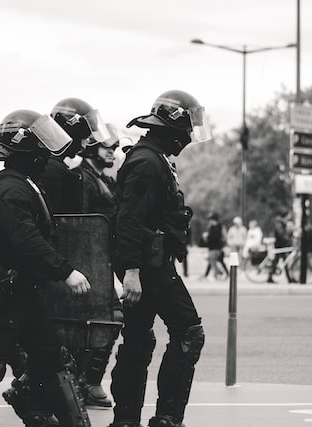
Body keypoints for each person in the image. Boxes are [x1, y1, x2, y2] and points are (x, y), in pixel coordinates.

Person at [0, 109, 92, 427]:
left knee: (51, 360)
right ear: (27, 147)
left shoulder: (20, 183)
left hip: (23, 289)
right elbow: (27, 239)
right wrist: (64, 271)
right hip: (7, 290)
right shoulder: (10, 188)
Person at [111, 90, 210, 427]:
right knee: (188, 331)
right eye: (187, 128)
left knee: (138, 341)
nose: (188, 137)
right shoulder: (147, 162)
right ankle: (166, 419)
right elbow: (129, 220)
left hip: (149, 264)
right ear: (175, 125)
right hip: (148, 267)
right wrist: (132, 271)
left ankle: (125, 420)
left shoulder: (153, 157)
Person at [70, 125, 123, 408]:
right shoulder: (83, 179)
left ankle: (87, 381)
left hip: (100, 260)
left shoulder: (99, 178)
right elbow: (79, 224)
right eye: (107, 148)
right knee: (108, 318)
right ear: (91, 149)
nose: (112, 153)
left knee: (108, 319)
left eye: (114, 148)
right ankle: (86, 381)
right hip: (88, 262)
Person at [38, 97, 111, 214]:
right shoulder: (53, 170)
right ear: (73, 132)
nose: (86, 143)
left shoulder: (51, 164)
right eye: (84, 136)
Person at [268, 213, 294, 283]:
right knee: (280, 261)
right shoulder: (279, 222)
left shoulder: (280, 222)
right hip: (280, 245)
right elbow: (280, 233)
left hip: (281, 244)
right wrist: (288, 239)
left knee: (283, 262)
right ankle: (289, 278)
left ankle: (289, 278)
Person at [202, 212, 228, 280]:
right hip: (212, 246)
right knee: (215, 261)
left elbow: (224, 236)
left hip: (217, 246)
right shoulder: (211, 226)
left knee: (212, 260)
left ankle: (219, 273)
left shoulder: (220, 226)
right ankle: (223, 273)